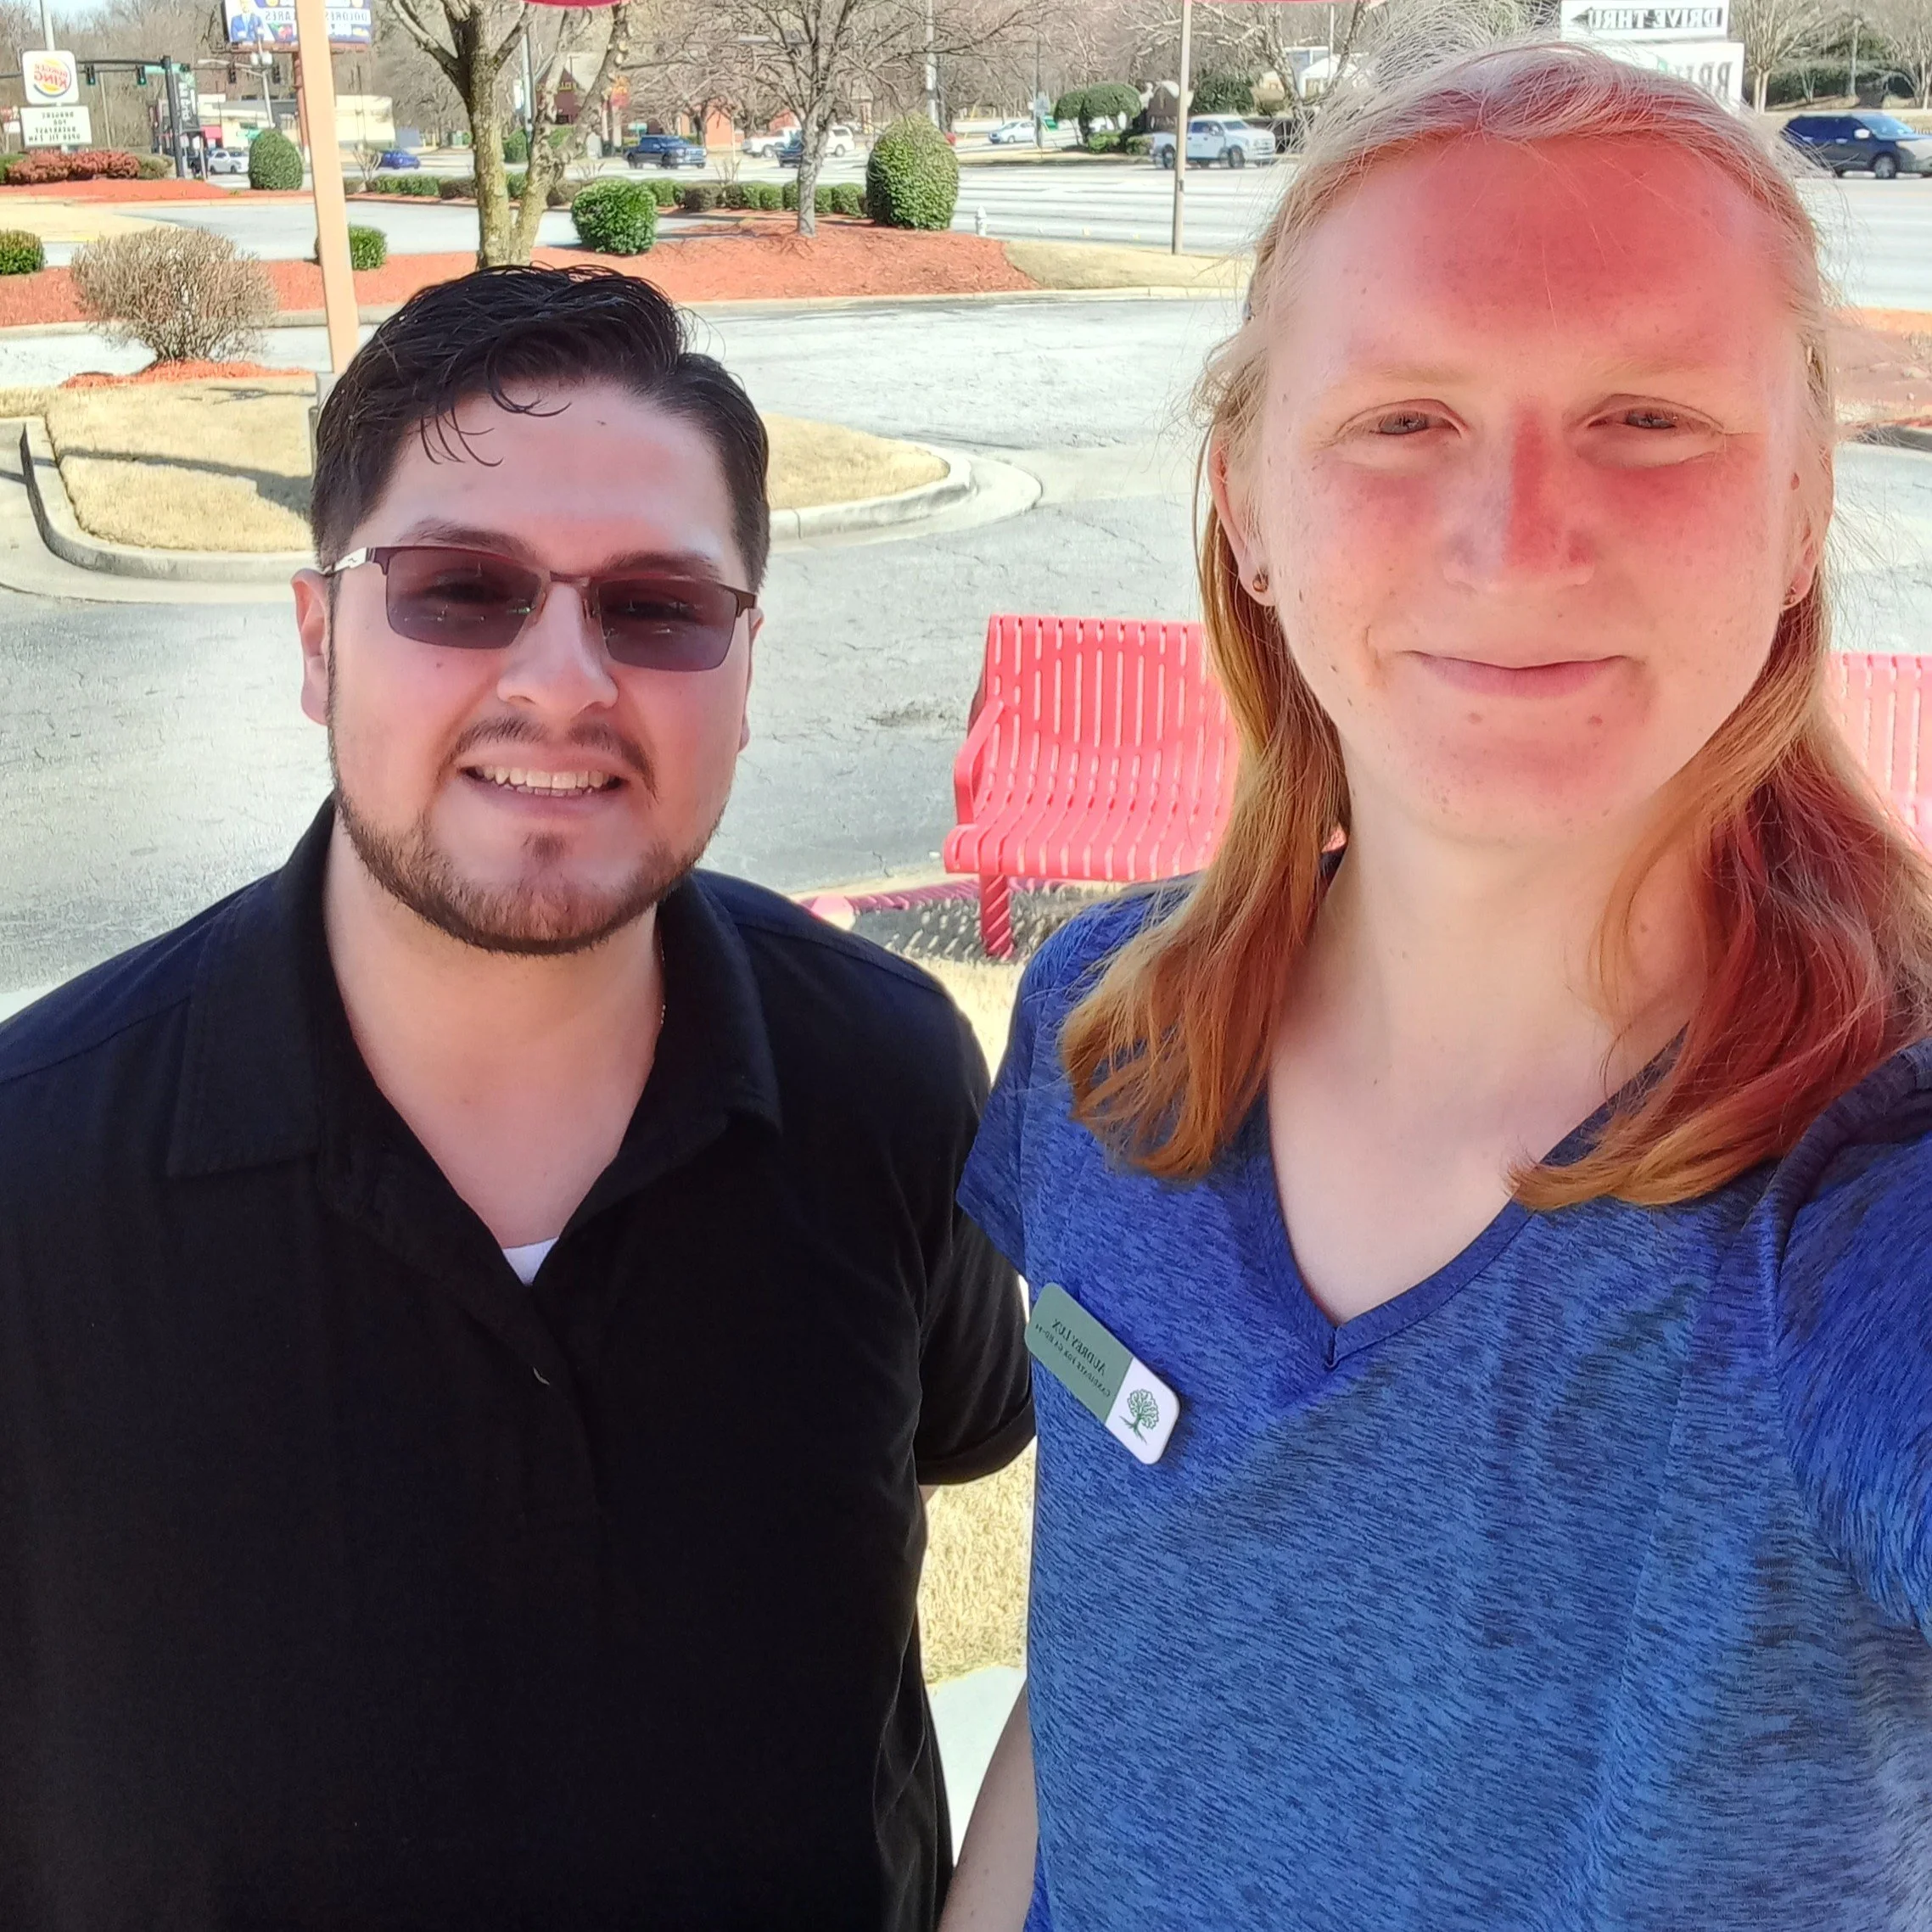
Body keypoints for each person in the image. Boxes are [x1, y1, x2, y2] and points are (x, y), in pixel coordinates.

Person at [943, 41, 1932, 1932]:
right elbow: (1099, 1693)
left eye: (1648, 417)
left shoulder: (1852, 1212)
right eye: (1402, 421)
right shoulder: (1104, 1049)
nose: (1515, 537)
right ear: (1243, 499)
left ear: (1803, 508)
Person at [0, 265, 1033, 1929]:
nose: (562, 680)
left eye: (656, 606)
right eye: (459, 588)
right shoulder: (32, 1182)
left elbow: (997, 1473)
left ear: (744, 662)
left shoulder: (888, 1079)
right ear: (319, 638)